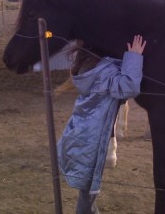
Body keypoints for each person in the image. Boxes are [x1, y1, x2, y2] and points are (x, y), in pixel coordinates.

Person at [57, 35, 147, 214]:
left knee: (88, 190)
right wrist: (134, 57)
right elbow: (128, 86)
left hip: (80, 134)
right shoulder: (104, 72)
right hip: (90, 139)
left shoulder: (87, 65)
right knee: (88, 191)